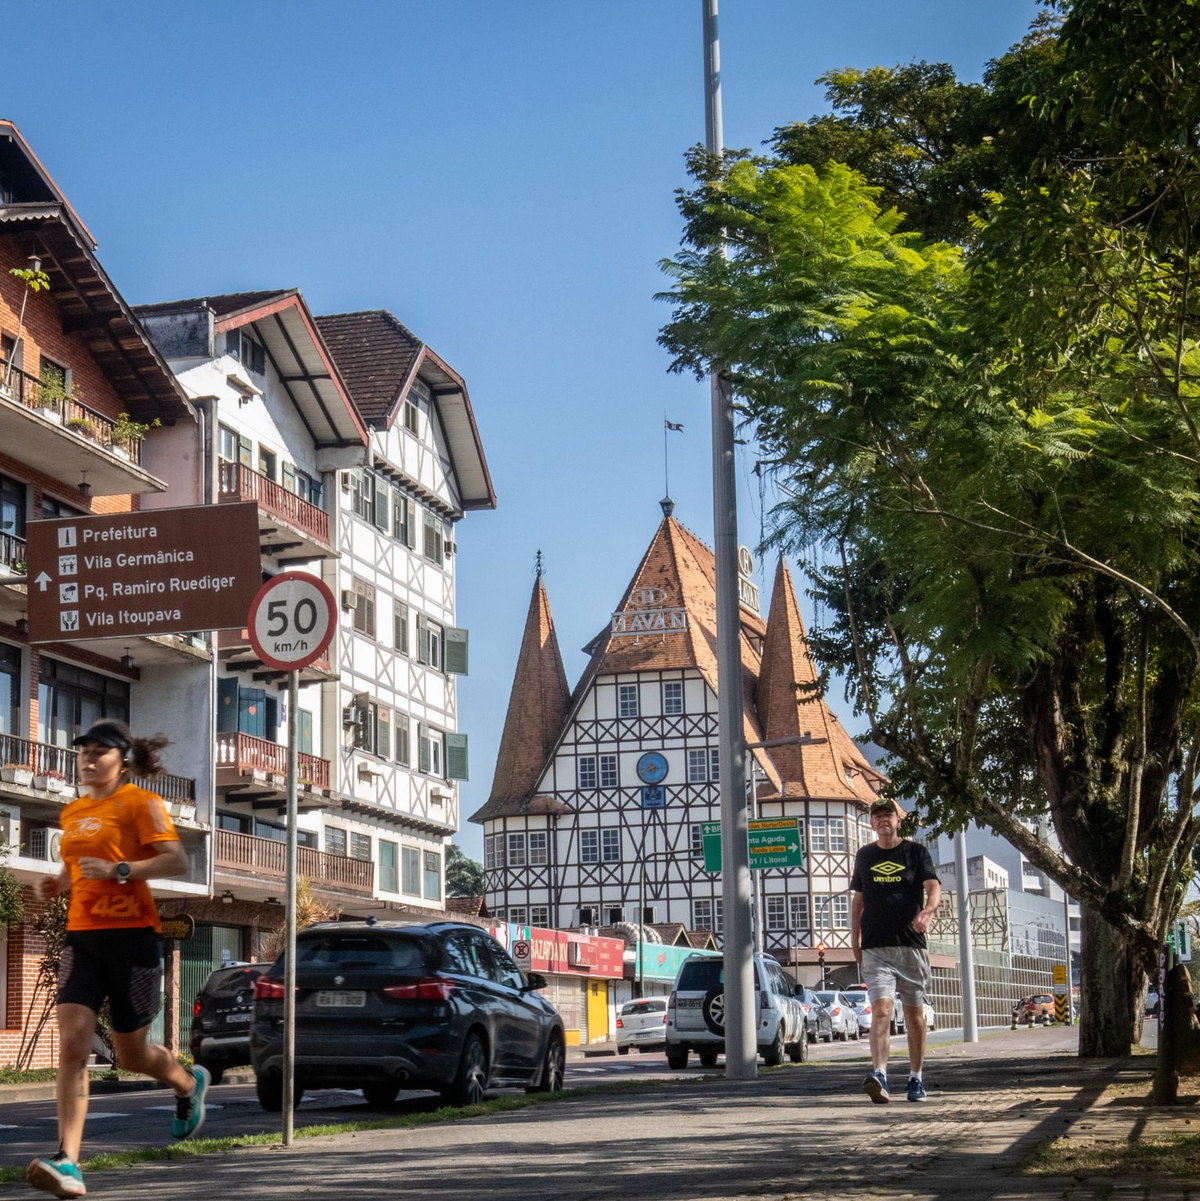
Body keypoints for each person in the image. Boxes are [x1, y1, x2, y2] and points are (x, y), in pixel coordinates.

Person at [27, 720, 209, 1199]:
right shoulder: (73, 812)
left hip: (133, 940)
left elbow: (176, 861)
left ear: (122, 759)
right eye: (82, 751)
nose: (88, 759)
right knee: (72, 1045)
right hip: (82, 938)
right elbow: (75, 865)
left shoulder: (141, 804)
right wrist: (59, 884)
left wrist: (120, 869)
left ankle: (188, 1084)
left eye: (99, 752)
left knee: (131, 1056)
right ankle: (68, 1161)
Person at [850, 796, 942, 1104]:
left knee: (914, 1014)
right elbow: (858, 901)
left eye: (888, 814)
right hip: (876, 947)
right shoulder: (864, 855)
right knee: (882, 1010)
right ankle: (880, 1075)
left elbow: (933, 887)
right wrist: (855, 939)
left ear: (897, 819)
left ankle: (916, 1078)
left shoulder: (915, 852)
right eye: (877, 816)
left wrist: (928, 911)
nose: (882, 820)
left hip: (910, 946)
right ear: (872, 823)